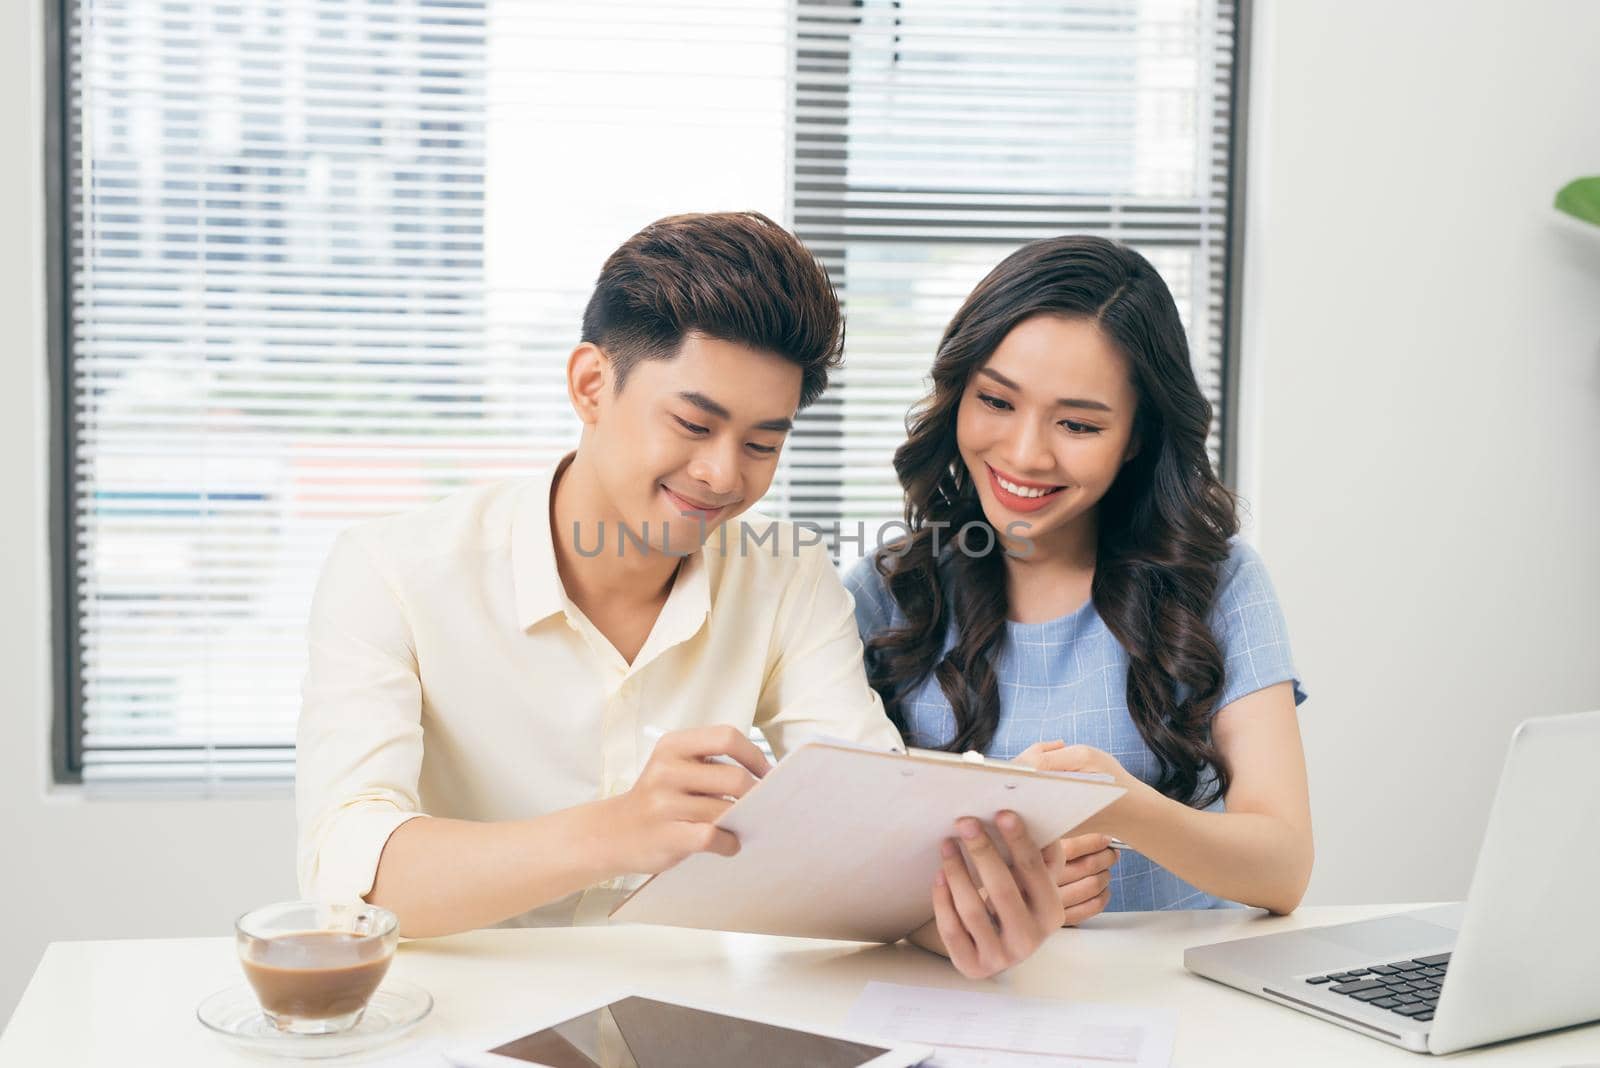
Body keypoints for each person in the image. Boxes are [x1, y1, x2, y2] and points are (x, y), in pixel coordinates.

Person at [295, 211, 1065, 978]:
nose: (725, 476)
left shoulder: (786, 576)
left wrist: (964, 899)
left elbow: (867, 826)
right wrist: (618, 830)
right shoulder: (393, 571)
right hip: (463, 1003)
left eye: (764, 443)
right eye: (694, 424)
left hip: (693, 1011)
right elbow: (346, 873)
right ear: (592, 385)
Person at [845, 235, 1312, 918]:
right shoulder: (883, 595)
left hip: (1182, 1009)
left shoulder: (1218, 583)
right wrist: (990, 892)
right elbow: (836, 867)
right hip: (953, 1004)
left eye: (1077, 424)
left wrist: (1126, 808)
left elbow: (1285, 867)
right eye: (997, 402)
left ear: (1137, 439)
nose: (1026, 454)